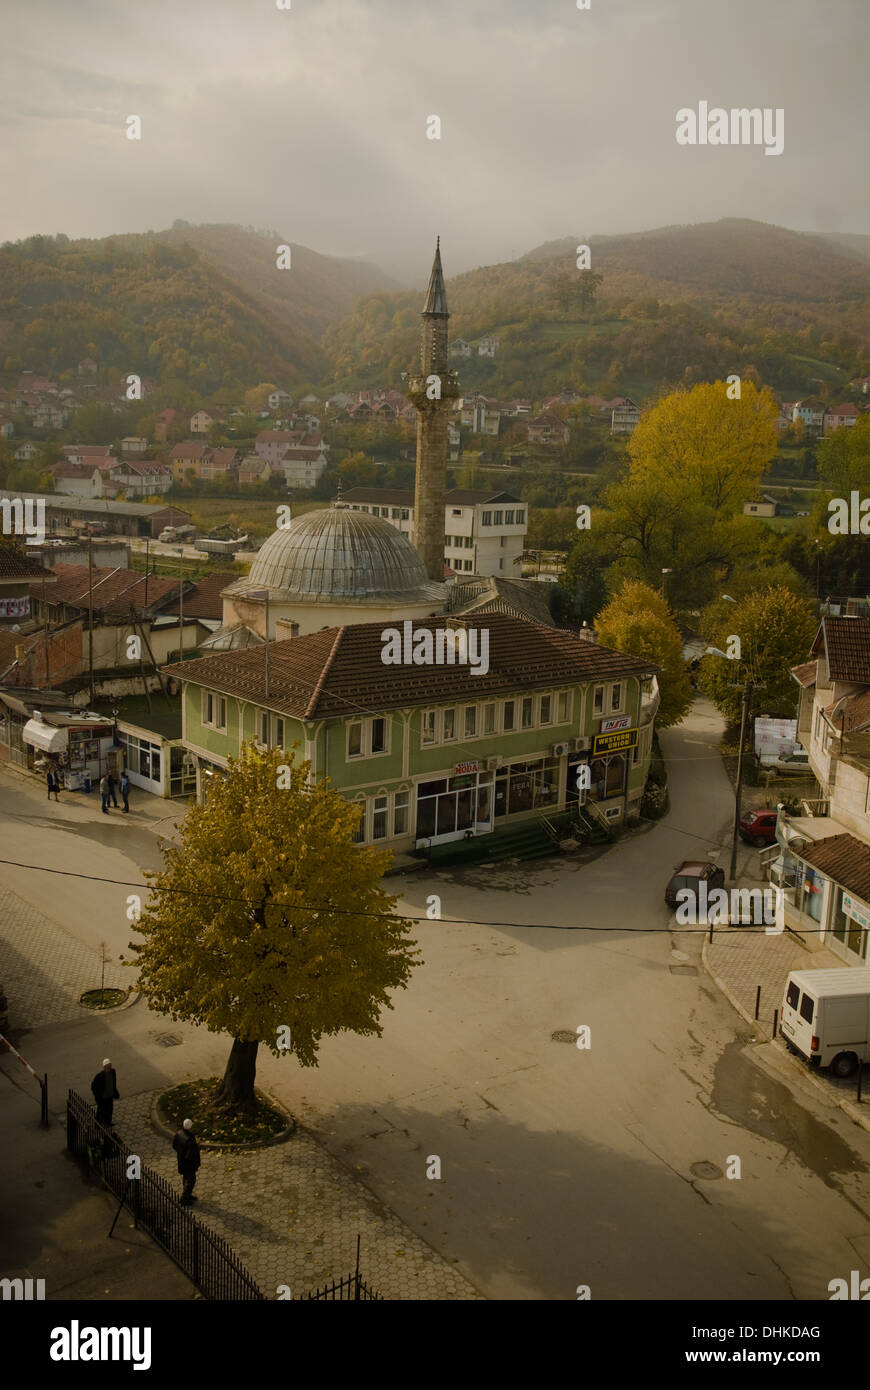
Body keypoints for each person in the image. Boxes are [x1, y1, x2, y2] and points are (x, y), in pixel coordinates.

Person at [173, 1119, 201, 1205]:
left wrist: (181, 1152)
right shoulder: (190, 1139)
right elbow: (191, 1154)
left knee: (186, 1178)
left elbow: (174, 1145)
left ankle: (187, 1194)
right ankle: (184, 1199)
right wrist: (196, 1163)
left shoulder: (178, 1133)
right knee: (191, 1181)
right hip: (189, 1165)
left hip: (181, 1161)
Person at [90, 1058, 120, 1128]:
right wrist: (97, 1096)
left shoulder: (113, 1072)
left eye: (110, 1065)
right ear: (104, 1067)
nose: (109, 1067)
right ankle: (97, 1125)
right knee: (101, 1111)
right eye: (107, 1066)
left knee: (109, 1110)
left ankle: (108, 1123)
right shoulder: (99, 1076)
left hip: (110, 1096)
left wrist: (115, 1091)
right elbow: (93, 1086)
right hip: (102, 1098)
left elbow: (114, 1082)